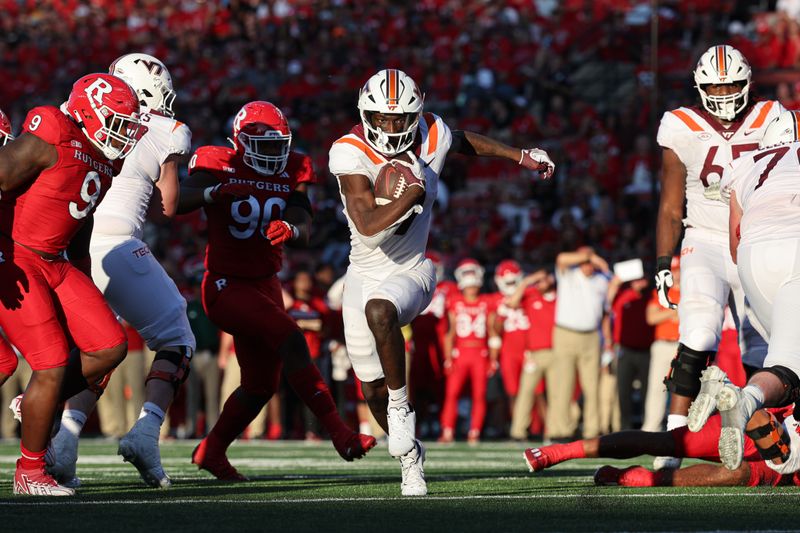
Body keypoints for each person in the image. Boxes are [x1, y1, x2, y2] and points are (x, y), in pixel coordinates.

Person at [328, 68, 554, 496]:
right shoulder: (348, 152)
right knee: (370, 388)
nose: (391, 128)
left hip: (413, 268)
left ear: (417, 113)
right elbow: (369, 225)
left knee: (383, 310)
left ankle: (401, 410)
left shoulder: (431, 131)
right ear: (365, 114)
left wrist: (520, 156)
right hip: (362, 273)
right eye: (381, 118)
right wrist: (412, 192)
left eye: (400, 119)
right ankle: (412, 456)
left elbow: (461, 139)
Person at [179, 100, 375, 481]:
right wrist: (213, 193)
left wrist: (291, 229)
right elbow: (179, 200)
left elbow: (304, 221)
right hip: (225, 284)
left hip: (266, 283)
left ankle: (211, 451)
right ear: (241, 142)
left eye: (278, 145)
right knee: (291, 338)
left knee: (259, 385)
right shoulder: (217, 161)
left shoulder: (295, 166)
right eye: (265, 145)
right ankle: (339, 433)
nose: (274, 153)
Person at [46, 53, 195, 489]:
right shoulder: (168, 131)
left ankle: (67, 442)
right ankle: (147, 432)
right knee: (175, 338)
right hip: (118, 244)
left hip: (70, 243)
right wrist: (211, 192)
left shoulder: (84, 114)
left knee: (97, 346)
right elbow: (169, 204)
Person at [0, 73, 142, 495]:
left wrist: (80, 277)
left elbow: (83, 217)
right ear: (86, 112)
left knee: (109, 346)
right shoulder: (52, 129)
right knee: (50, 363)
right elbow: (2, 176)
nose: (122, 133)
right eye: (115, 121)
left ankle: (37, 404)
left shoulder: (106, 157)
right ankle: (30, 471)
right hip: (18, 257)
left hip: (57, 261)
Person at [654, 44, 783, 469]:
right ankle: (672, 439)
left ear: (748, 83)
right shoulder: (681, 125)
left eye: (732, 84)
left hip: (754, 238)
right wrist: (662, 261)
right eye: (715, 85)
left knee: (764, 343)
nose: (725, 93)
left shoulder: (771, 119)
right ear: (699, 86)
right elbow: (672, 205)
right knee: (698, 333)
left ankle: (767, 436)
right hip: (706, 239)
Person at [689, 109, 800, 472]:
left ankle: (787, 436)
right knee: (789, 366)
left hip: (754, 257)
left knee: (789, 360)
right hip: (795, 245)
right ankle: (747, 398)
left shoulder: (747, 163)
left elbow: (735, 243)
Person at [523, 406, 799, 487]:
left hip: (791, 463)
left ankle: (647, 479)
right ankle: (561, 451)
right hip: (766, 425)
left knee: (740, 475)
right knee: (665, 443)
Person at [548, 246, 610, 440]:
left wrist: (607, 340)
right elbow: (560, 257)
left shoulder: (601, 280)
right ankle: (561, 428)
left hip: (591, 336)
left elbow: (607, 310)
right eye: (584, 262)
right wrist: (590, 256)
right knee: (563, 384)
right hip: (566, 333)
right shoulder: (568, 274)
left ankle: (592, 429)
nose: (588, 266)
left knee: (592, 386)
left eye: (590, 263)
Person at [439, 259, 498, 444]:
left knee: (479, 395)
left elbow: (493, 331)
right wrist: (448, 357)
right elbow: (450, 332)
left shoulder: (487, 302)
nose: (471, 288)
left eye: (474, 285)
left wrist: (493, 358)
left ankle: (475, 431)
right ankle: (448, 430)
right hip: (461, 352)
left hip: (480, 353)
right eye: (469, 285)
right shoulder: (454, 301)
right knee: (452, 394)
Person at [504, 270, 556, 441]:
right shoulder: (531, 296)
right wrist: (527, 281)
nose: (539, 283)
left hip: (557, 352)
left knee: (556, 395)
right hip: (534, 354)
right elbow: (512, 303)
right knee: (525, 393)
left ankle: (554, 431)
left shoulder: (560, 297)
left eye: (543, 279)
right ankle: (518, 431)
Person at [607, 275, 654, 430]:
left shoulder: (652, 297)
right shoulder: (623, 296)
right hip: (625, 350)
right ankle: (625, 426)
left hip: (646, 350)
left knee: (648, 390)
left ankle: (646, 425)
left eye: (642, 279)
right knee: (623, 389)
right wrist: (617, 281)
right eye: (636, 279)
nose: (640, 282)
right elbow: (606, 304)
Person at [641, 256, 680, 432]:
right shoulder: (662, 292)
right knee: (657, 388)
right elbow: (651, 317)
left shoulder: (692, 290)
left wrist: (668, 312)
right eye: (674, 271)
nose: (677, 275)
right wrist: (674, 312)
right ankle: (651, 428)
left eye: (679, 270)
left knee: (684, 390)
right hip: (663, 345)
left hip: (682, 345)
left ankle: (681, 429)